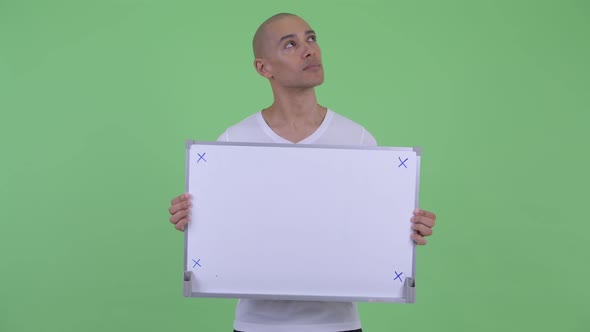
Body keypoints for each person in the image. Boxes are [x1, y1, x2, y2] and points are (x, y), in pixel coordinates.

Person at [168, 13, 437, 332]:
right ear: (263, 67)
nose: (309, 50)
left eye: (311, 38)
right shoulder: (233, 142)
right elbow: (224, 232)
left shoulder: (358, 139)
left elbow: (370, 231)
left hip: (337, 325)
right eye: (290, 44)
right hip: (257, 325)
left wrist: (405, 228)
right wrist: (194, 219)